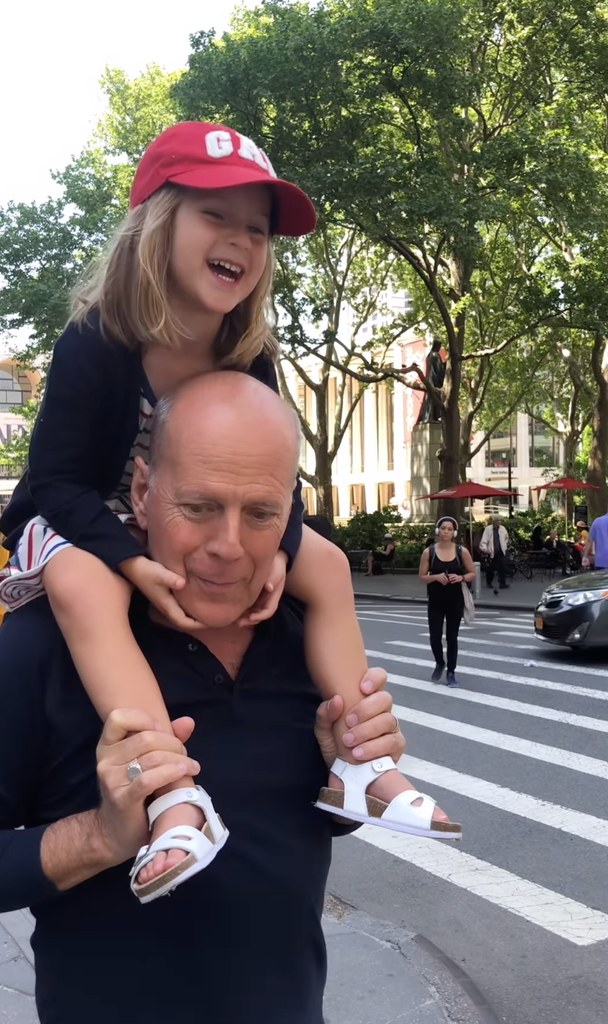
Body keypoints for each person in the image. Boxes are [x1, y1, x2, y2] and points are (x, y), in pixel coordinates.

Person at [0, 121, 458, 904]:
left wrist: (281, 547)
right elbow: (56, 479)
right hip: (82, 516)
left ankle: (361, 762)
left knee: (329, 560)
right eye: (217, 217)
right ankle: (171, 790)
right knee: (83, 584)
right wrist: (131, 559)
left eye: (257, 229)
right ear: (157, 219)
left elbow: (278, 479)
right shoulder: (97, 337)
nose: (240, 241)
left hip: (184, 513)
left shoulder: (248, 348)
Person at [0, 373, 413, 1023]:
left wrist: (347, 773)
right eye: (197, 508)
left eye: (260, 514)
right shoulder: (41, 644)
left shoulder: (311, 639)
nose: (228, 546)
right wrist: (103, 836)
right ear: (141, 490)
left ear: (293, 509)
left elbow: (306, 826)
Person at [418, 516, 476, 687]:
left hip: (455, 601)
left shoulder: (461, 551)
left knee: (452, 637)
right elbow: (421, 577)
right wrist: (435, 577)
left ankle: (451, 672)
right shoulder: (429, 552)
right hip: (435, 601)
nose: (446, 532)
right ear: (438, 530)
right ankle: (439, 662)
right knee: (435, 637)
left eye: (450, 529)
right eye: (443, 528)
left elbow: (473, 572)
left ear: (454, 533)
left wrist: (461, 577)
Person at [479, 515, 509, 590]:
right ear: (493, 522)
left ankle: (502, 583)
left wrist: (504, 546)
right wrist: (486, 550)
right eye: (497, 521)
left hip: (500, 551)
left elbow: (506, 538)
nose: (499, 522)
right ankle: (489, 582)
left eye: (499, 521)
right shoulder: (488, 529)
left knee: (502, 567)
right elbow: (484, 540)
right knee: (490, 568)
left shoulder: (503, 529)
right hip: (491, 552)